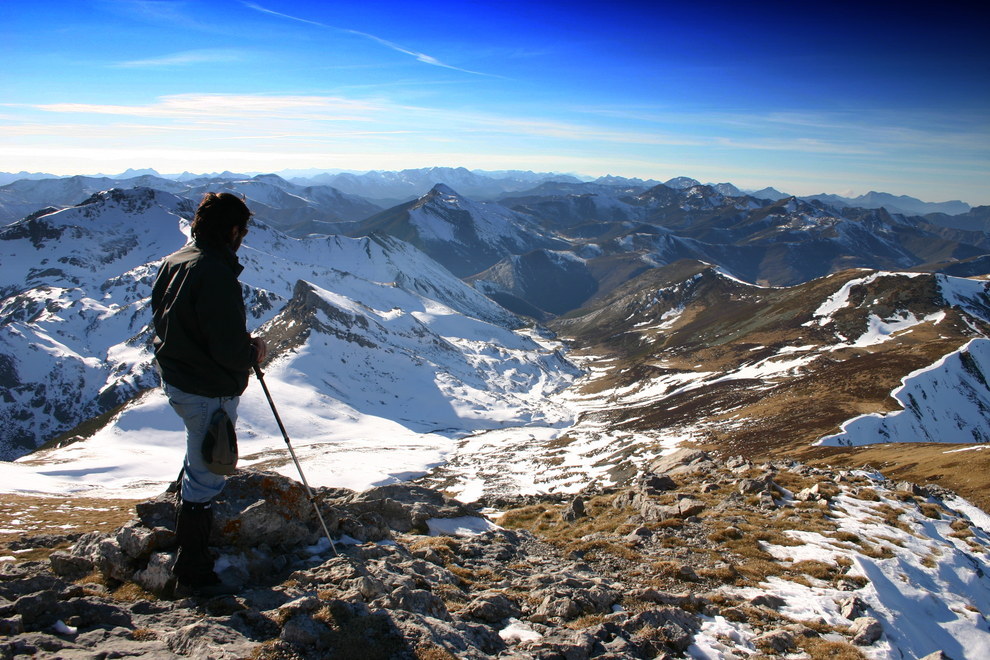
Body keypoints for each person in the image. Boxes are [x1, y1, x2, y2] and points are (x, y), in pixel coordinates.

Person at [151, 192, 267, 595]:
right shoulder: (215, 272)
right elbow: (227, 350)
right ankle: (193, 570)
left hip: (179, 379)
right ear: (233, 230)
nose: (243, 237)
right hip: (207, 388)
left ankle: (178, 507)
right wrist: (252, 350)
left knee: (196, 445)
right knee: (208, 473)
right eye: (243, 231)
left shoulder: (176, 261)